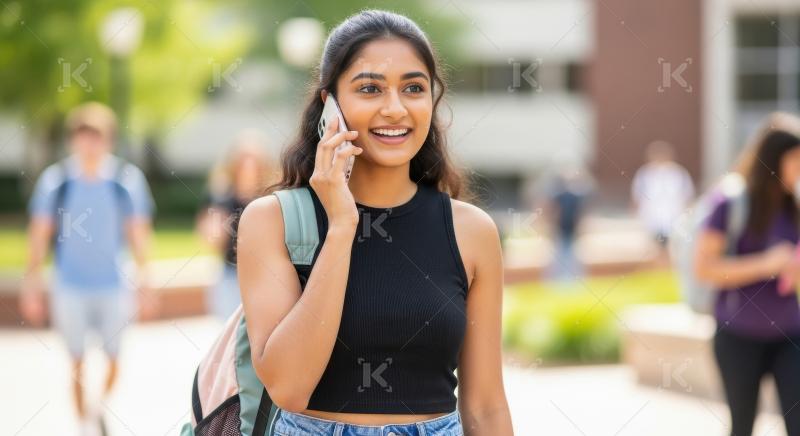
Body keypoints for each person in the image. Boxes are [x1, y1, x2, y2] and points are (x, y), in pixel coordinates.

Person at [237, 10, 513, 436]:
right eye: (370, 88)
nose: (395, 108)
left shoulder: (471, 231)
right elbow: (288, 386)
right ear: (329, 104)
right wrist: (343, 226)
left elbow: (486, 406)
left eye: (414, 88)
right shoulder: (272, 220)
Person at [18, 102, 156, 436]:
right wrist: (31, 284)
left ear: (108, 140)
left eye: (96, 136)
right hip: (70, 286)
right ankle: (83, 427)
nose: (89, 144)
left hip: (113, 285)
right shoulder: (56, 181)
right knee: (76, 362)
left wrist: (146, 282)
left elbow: (139, 234)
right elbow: (39, 235)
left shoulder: (125, 181)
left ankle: (96, 408)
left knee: (114, 360)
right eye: (83, 136)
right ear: (72, 140)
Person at [695, 112, 800, 436]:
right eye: (796, 160)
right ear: (773, 159)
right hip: (738, 334)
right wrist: (766, 264)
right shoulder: (729, 202)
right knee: (742, 425)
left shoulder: (794, 205)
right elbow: (705, 268)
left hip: (789, 335)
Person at [196, 130, 276, 320]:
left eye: (253, 162)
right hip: (230, 274)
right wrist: (219, 199)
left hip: (263, 275)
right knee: (228, 331)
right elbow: (211, 240)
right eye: (243, 162)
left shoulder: (270, 196)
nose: (248, 168)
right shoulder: (222, 196)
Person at [631, 140, 695, 263]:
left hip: (674, 216)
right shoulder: (644, 174)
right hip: (652, 217)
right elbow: (637, 196)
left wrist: (688, 216)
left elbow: (687, 196)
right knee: (655, 246)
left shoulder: (679, 173)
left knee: (673, 246)